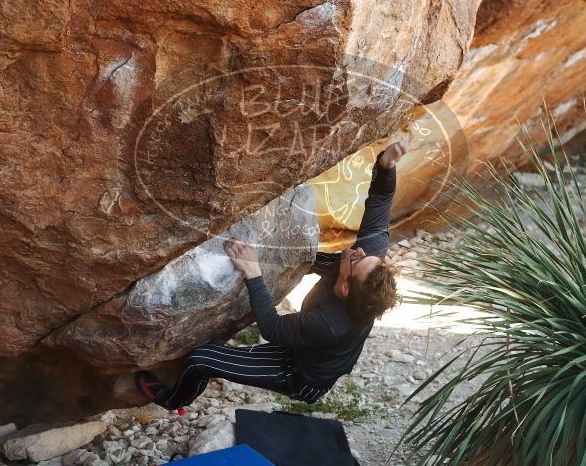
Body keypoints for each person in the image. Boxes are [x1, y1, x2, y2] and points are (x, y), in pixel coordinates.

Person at [135, 135, 409, 409]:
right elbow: (381, 201)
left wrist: (252, 271)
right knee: (315, 259)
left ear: (347, 289)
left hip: (298, 374)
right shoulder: (367, 262)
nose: (359, 252)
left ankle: (173, 400)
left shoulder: (328, 324)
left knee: (201, 360)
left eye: (358, 261)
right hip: (308, 343)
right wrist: (386, 165)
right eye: (366, 255)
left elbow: (273, 328)